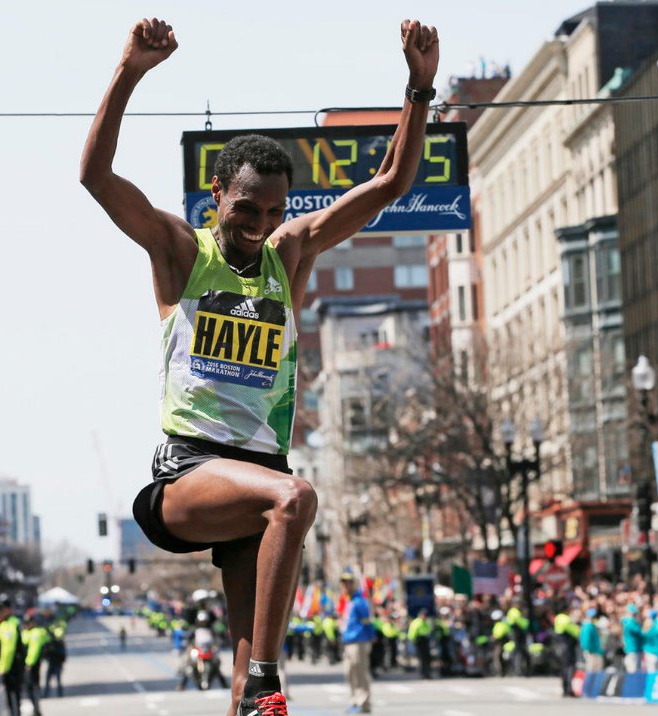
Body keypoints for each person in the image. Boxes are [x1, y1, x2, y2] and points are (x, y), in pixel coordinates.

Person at [80, 16, 438, 716]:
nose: (259, 224)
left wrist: (419, 87)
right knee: (295, 498)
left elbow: (393, 180)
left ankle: (257, 689)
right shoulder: (183, 251)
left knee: (246, 689)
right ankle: (268, 678)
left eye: (273, 211)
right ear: (216, 193)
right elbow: (95, 176)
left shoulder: (290, 254)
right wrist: (129, 70)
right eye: (246, 207)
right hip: (190, 472)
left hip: (260, 476)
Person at [340, 572, 374, 714]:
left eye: (348, 582)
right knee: (349, 672)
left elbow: (367, 621)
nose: (345, 585)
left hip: (359, 640)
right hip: (348, 641)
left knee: (360, 672)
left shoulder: (359, 601)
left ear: (353, 584)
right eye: (343, 582)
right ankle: (354, 700)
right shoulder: (348, 601)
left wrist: (370, 636)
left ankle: (363, 702)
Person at [0, 596, 25, 716]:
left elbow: (8, 649)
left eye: (0, 609)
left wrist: (2, 668)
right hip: (10, 667)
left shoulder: (10, 624)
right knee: (11, 699)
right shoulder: (4, 624)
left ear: (7, 610)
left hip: (12, 668)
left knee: (13, 697)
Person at [407, 609, 433, 679]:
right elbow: (412, 632)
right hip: (419, 641)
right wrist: (413, 641)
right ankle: (422, 674)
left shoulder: (425, 622)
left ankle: (427, 673)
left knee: (427, 657)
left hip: (425, 640)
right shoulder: (417, 622)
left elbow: (428, 630)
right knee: (421, 658)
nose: (425, 617)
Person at [620, 604, 644, 673]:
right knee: (633, 669)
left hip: (633, 648)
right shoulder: (630, 622)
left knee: (634, 668)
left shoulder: (627, 622)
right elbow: (640, 633)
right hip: (633, 648)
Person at [579, 608, 604, 673]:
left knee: (596, 667)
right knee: (591, 667)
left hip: (595, 650)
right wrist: (587, 649)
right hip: (591, 651)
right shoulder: (588, 626)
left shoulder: (591, 625)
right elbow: (586, 639)